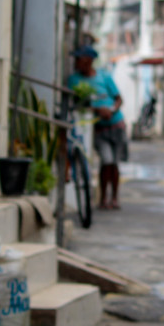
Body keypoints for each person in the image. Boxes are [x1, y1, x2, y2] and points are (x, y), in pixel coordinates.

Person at [67, 45, 128, 210]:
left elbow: (118, 99)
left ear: (88, 61)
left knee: (114, 164)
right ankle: (102, 198)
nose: (76, 62)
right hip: (98, 128)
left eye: (79, 59)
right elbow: (75, 103)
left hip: (116, 125)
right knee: (106, 161)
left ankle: (114, 198)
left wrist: (111, 110)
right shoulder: (74, 80)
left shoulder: (105, 77)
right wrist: (96, 110)